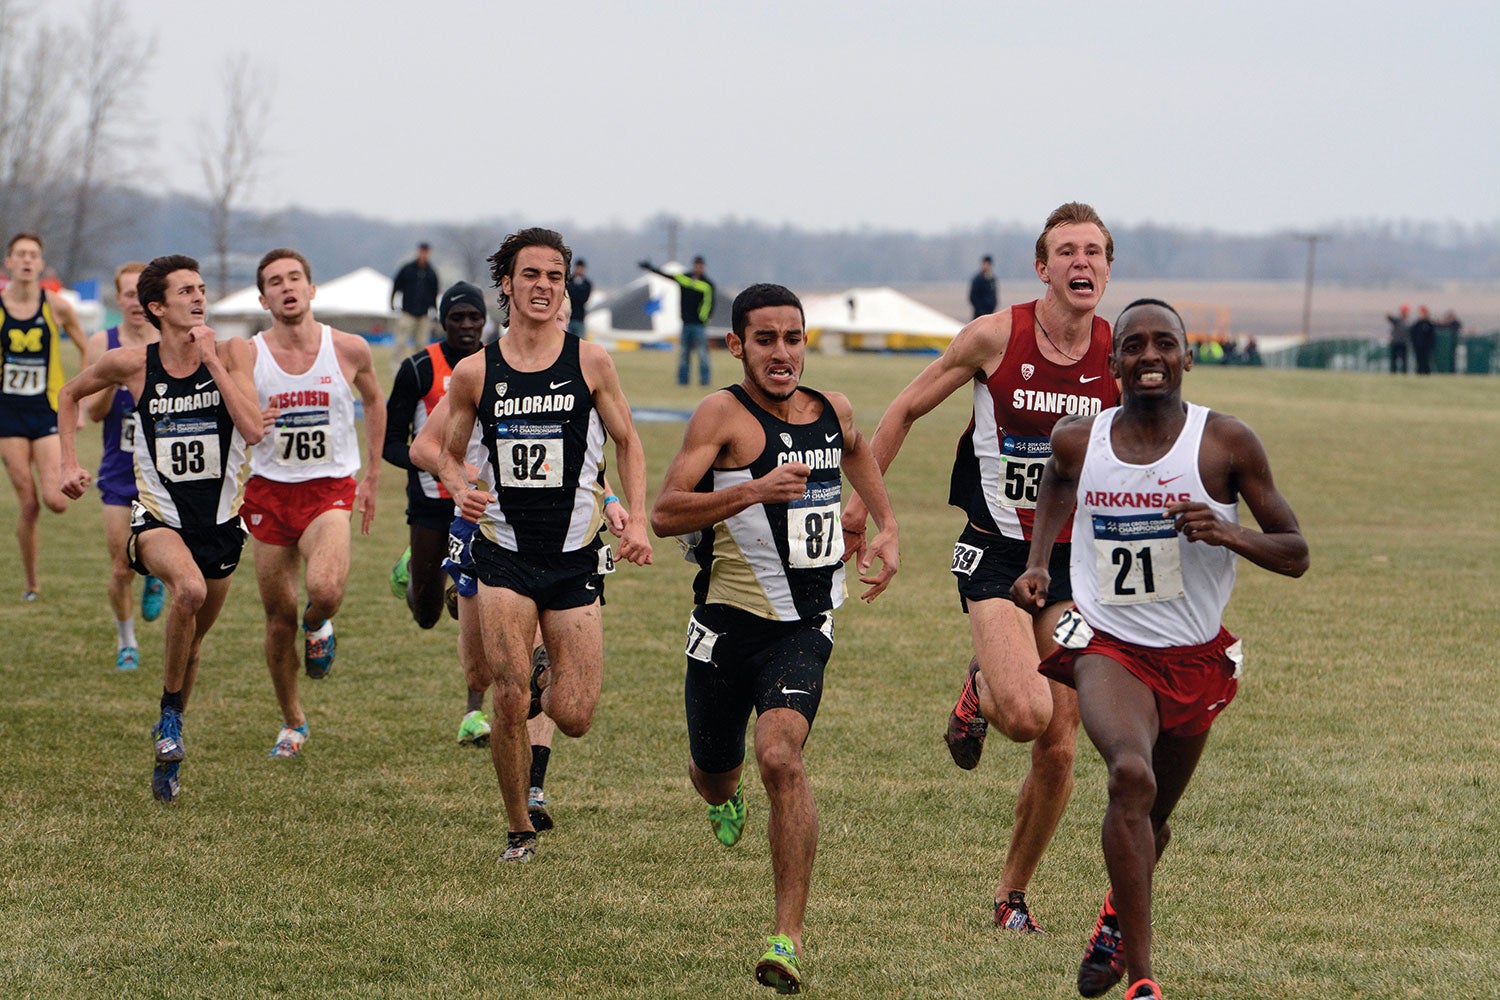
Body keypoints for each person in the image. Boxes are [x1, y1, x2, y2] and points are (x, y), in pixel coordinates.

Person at [1011, 298, 1308, 1000]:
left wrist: (1228, 532)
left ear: (1188, 355)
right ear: (1112, 363)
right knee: (1130, 778)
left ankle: (1115, 916)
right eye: (1135, 345)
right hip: (1109, 645)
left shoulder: (1225, 444)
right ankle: (1145, 979)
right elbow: (1057, 476)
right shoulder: (1081, 439)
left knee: (1154, 818)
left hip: (1194, 656)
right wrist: (1039, 561)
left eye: (1165, 343)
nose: (1151, 356)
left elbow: (1296, 553)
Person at [842, 202, 1121, 933]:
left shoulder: (1120, 355)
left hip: (1074, 565)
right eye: (1068, 251)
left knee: (1061, 751)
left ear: (1109, 268)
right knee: (1027, 717)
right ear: (1043, 266)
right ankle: (982, 684)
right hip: (997, 551)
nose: (1082, 263)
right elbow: (903, 410)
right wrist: (863, 507)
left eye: (1094, 252)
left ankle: (1012, 897)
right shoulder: (996, 336)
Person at [650, 283, 899, 995]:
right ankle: (721, 799)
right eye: (765, 339)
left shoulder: (832, 410)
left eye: (792, 337)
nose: (782, 352)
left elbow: (859, 453)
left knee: (780, 756)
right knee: (714, 773)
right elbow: (666, 512)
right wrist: (753, 490)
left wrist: (883, 522)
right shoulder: (720, 415)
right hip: (726, 627)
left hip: (805, 626)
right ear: (737, 346)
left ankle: (786, 936)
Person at [438, 227, 653, 863]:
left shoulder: (591, 362)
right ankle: (517, 828)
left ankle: (540, 672)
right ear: (506, 284)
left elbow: (629, 443)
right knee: (507, 700)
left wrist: (635, 517)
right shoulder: (476, 372)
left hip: (574, 557)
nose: (543, 287)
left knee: (576, 713)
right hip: (503, 553)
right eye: (530, 275)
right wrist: (459, 487)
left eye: (554, 276)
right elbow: (447, 456)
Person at [56, 254, 264, 802]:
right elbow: (69, 394)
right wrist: (66, 464)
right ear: (157, 307)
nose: (199, 298)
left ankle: (167, 744)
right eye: (185, 291)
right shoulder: (131, 363)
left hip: (221, 523)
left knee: (192, 644)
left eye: (201, 289)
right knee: (189, 591)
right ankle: (170, 720)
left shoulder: (234, 351)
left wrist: (213, 363)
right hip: (157, 518)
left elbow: (253, 430)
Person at [242, 249, 384, 760]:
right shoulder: (251, 354)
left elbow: (373, 399)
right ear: (263, 297)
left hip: (328, 488)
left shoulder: (347, 348)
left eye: (295, 278)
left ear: (311, 287)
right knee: (278, 619)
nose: (287, 287)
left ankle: (319, 622)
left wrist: (371, 473)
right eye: (275, 282)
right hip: (269, 491)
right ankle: (293, 720)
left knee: (324, 589)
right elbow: (230, 414)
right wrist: (251, 416)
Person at [384, 281, 486, 629]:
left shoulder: (499, 365)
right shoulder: (418, 368)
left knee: (480, 600)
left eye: (475, 317)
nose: (468, 326)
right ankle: (414, 567)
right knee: (426, 615)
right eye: (458, 317)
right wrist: (432, 466)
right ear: (444, 322)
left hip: (481, 502)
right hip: (432, 500)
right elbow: (391, 443)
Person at [80, 262, 164, 670]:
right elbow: (92, 413)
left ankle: (155, 573)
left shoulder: (170, 340)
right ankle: (126, 641)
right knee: (119, 566)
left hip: (165, 476)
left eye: (141, 293)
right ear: (119, 299)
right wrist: (110, 386)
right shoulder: (102, 344)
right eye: (128, 294)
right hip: (118, 472)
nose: (135, 302)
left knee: (165, 555)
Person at [1, 232, 87, 601]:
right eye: (19, 254)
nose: (25, 260)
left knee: (57, 500)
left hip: (45, 410)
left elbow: (87, 350)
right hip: (8, 415)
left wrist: (79, 402)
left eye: (32, 255)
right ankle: (32, 582)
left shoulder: (57, 307)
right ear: (8, 262)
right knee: (29, 502)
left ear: (40, 264)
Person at [640, 255, 715, 386]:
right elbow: (667, 276)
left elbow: (710, 304)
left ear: (703, 267)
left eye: (700, 266)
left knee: (703, 354)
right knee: (683, 354)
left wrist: (703, 318)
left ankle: (704, 381)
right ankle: (683, 381)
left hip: (699, 325)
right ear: (694, 265)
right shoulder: (684, 278)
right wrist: (651, 268)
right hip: (686, 323)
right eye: (697, 265)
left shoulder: (707, 284)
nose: (698, 268)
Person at [390, 242, 441, 364]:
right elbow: (396, 286)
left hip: (424, 314)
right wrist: (392, 302)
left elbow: (434, 293)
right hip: (407, 312)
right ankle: (397, 369)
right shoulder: (407, 269)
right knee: (400, 343)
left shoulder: (431, 273)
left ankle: (419, 370)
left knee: (421, 345)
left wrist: (435, 311)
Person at [565, 258, 591, 338]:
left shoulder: (587, 284)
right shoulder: (568, 281)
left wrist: (574, 293)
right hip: (568, 317)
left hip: (579, 318)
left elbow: (584, 298)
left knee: (580, 342)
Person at [970, 254, 999, 319]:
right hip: (979, 315)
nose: (986, 266)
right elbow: (973, 297)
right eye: (985, 264)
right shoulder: (978, 279)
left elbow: (994, 295)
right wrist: (980, 310)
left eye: (988, 264)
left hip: (991, 313)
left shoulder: (992, 279)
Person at [1409, 305, 1436, 375]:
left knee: (1426, 360)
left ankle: (1427, 373)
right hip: (1418, 345)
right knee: (1419, 360)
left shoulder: (1429, 323)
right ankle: (1419, 372)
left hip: (1427, 346)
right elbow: (1412, 333)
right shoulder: (1417, 324)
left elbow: (1432, 336)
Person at [1386, 304, 1410, 374]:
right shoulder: (1397, 320)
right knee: (1394, 359)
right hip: (1395, 342)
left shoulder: (1408, 321)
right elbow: (1390, 318)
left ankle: (1404, 373)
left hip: (1404, 342)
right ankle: (1393, 372)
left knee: (1404, 359)